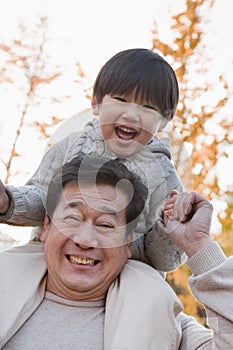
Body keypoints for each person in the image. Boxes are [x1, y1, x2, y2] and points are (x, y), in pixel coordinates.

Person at [0, 155, 232, 349]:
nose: (85, 240)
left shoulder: (163, 321)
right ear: (47, 226)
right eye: (72, 218)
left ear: (127, 241)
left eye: (106, 225)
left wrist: (199, 244)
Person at [0, 48, 185, 272]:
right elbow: (41, 198)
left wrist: (168, 228)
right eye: (120, 100)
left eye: (147, 107)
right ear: (96, 103)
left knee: (150, 295)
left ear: (164, 121)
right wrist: (9, 202)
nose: (131, 115)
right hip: (57, 256)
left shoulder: (163, 176)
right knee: (10, 268)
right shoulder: (70, 147)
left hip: (125, 271)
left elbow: (165, 259)